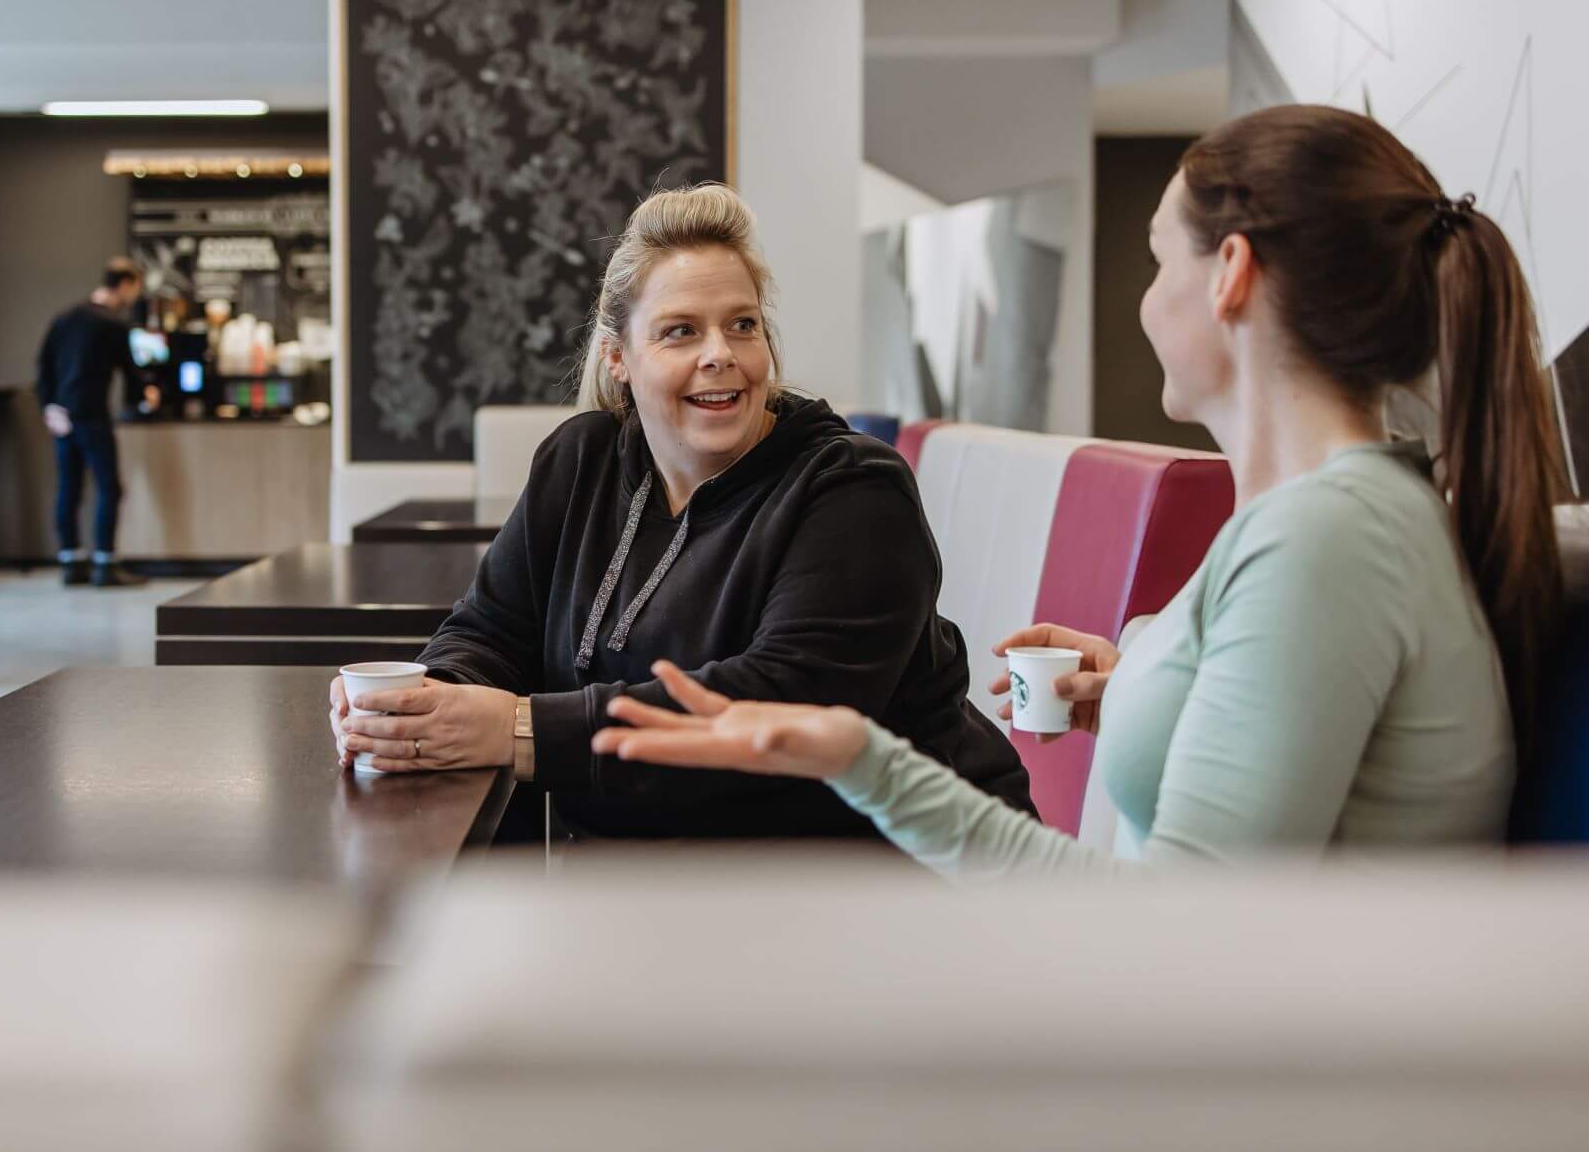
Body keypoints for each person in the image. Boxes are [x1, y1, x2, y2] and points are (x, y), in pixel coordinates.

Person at [595, 106, 1571, 873]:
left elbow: (1171, 943)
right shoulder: (1335, 520)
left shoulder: (1325, 542)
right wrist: (1146, 679)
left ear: (1228, 274)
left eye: (1155, 260)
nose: (1144, 299)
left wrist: (860, 758)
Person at [329, 183, 1032, 839]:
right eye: (680, 331)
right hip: (679, 870)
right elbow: (491, 627)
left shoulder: (854, 491)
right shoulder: (581, 461)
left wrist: (517, 728)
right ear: (618, 359)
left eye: (742, 324)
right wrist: (422, 705)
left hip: (893, 871)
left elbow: (784, 709)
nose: (720, 354)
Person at [36, 257, 157, 587]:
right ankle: (105, 563)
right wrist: (144, 399)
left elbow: (43, 366)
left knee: (69, 488)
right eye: (137, 288)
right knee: (108, 487)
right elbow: (131, 374)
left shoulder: (65, 318)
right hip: (91, 415)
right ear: (127, 284)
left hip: (62, 416)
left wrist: (49, 407)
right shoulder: (112, 326)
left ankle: (71, 562)